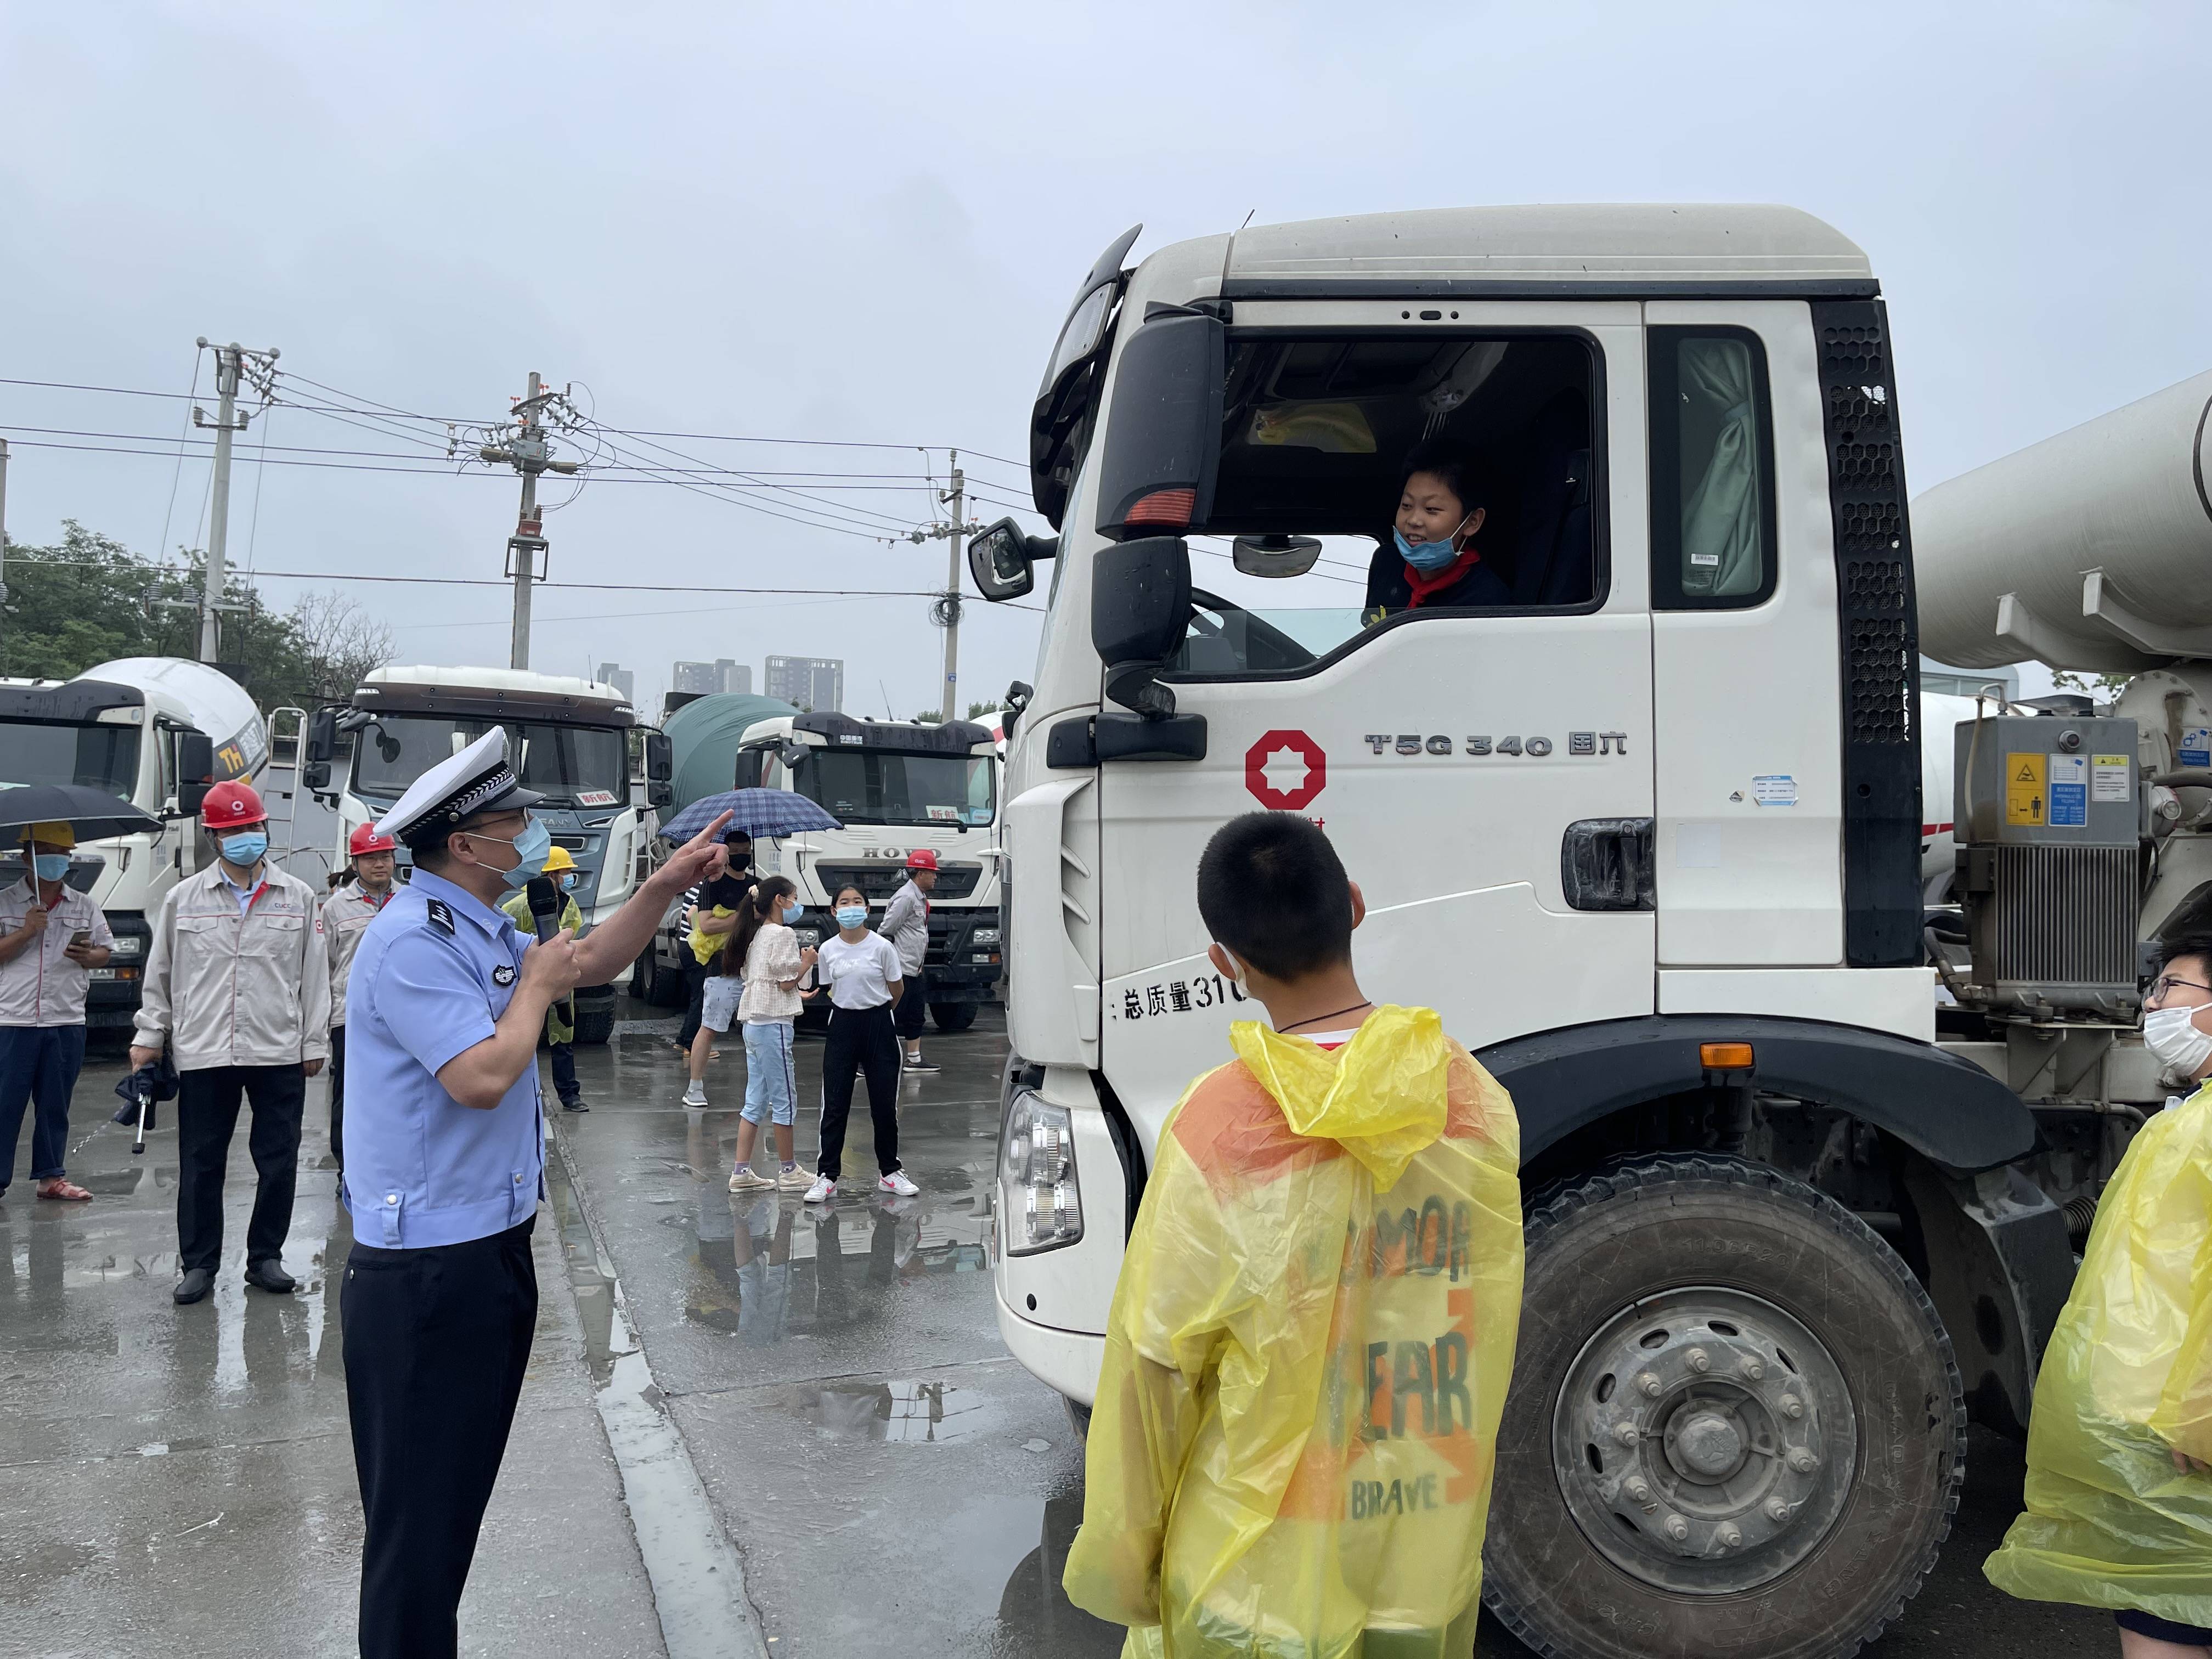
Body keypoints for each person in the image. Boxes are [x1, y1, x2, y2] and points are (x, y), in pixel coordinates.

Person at [1063, 811, 1524, 1657]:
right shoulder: (1472, 1097)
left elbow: (1155, 1371)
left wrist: (1130, 1559)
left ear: (1225, 964)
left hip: (1253, 1583)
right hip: (1418, 1555)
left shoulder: (1219, 1125)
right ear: (1353, 905)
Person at [337, 727, 730, 1659]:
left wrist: (663, 887)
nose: (531, 829)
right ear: (466, 843)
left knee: (449, 1512)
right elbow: (479, 1073)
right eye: (514, 818)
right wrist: (535, 987)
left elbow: (586, 961)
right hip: (426, 1274)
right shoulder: (408, 940)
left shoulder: (476, 925)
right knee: (418, 1531)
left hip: (491, 1250)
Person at [1986, 933, 2212, 1656]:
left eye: (2174, 987)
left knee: (2170, 1616)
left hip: (2188, 1432)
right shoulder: (2187, 1117)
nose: (2155, 1004)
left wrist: (2204, 1414)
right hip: (2162, 1422)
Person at [131, 781, 330, 1304]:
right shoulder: (184, 899)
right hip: (206, 1050)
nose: (246, 837)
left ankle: (265, 1258)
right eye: (234, 830)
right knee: (200, 1163)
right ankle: (198, 1265)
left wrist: (314, 1043)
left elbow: (314, 978)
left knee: (278, 1160)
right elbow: (162, 973)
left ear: (265, 828)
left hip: (278, 1050)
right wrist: (150, 1034)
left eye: (253, 827)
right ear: (213, 836)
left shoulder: (299, 898)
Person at [0, 823, 113, 1204]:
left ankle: (51, 1178)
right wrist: (26, 931)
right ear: (25, 857)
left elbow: (104, 951)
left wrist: (89, 956)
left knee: (55, 1103)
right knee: (5, 1103)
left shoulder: (84, 905)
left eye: (63, 853)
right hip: (12, 1020)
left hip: (65, 1019)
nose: (57, 860)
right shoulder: (5, 903)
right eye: (48, 851)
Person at [804, 883, 919, 1204]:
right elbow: (827, 988)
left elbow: (897, 991)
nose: (851, 906)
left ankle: (890, 1172)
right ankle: (827, 1176)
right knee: (835, 1105)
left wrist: (877, 1012)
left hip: (879, 1026)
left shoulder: (882, 947)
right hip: (842, 1026)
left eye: (857, 902)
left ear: (867, 910)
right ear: (834, 911)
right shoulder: (827, 950)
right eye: (844, 902)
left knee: (884, 1107)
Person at [719, 876, 816, 1189]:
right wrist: (807, 962)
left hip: (754, 1025)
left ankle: (742, 1172)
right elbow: (787, 981)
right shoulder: (784, 934)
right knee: (785, 1098)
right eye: (793, 897)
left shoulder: (757, 934)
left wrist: (794, 992)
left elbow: (766, 982)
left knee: (755, 1102)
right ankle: (789, 1171)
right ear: (779, 900)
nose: (795, 904)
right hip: (774, 1026)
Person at [322, 821, 399, 1178]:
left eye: (384, 855)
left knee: (401, 1093)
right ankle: (348, 1170)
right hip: (351, 1018)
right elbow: (325, 967)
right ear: (355, 863)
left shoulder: (412, 900)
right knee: (350, 1096)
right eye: (369, 858)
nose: (378, 864)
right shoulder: (335, 909)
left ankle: (395, 1164)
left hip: (404, 1015)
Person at [1362, 442, 1511, 619]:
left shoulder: (1489, 598)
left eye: (1431, 509)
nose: (1414, 520)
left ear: (1472, 522)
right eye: (1407, 505)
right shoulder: (1387, 562)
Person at [500, 843, 589, 1112]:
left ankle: (570, 1094)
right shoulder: (518, 905)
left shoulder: (568, 902)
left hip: (561, 984)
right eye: (564, 873)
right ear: (551, 875)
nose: (568, 878)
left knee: (563, 1038)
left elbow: (575, 933)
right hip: (528, 983)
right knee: (524, 1040)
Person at [676, 829, 754, 1058]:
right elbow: (699, 920)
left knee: (703, 997)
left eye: (746, 851)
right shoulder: (709, 884)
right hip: (699, 949)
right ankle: (690, 1043)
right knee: (703, 997)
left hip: (728, 950)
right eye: (736, 851)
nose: (741, 856)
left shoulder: (753, 884)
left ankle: (687, 1041)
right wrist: (743, 917)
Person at [880, 849, 939, 1072]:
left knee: (915, 1013)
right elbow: (886, 930)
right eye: (932, 873)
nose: (935, 877)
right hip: (901, 968)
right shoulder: (906, 897)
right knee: (891, 1015)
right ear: (920, 873)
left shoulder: (918, 897)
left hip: (915, 968)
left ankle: (914, 1058)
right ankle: (873, 1059)